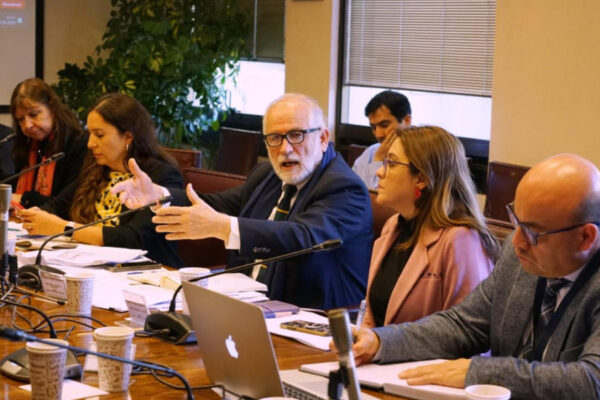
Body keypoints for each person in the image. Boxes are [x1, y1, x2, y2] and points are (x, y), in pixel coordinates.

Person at [351, 153, 600, 399]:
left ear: (586, 237)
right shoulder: (519, 256)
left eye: (533, 233)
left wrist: (479, 373)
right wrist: (381, 342)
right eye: (516, 222)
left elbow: (592, 381)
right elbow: (463, 325)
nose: (517, 242)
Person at [112, 93, 373, 309]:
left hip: (310, 318)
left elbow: (303, 237)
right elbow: (217, 205)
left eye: (296, 135)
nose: (285, 149)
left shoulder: (344, 188)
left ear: (323, 138)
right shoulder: (267, 175)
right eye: (275, 138)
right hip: (244, 306)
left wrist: (223, 227)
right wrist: (159, 194)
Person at [17, 93, 184, 268]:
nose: (90, 143)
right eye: (90, 134)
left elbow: (133, 239)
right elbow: (57, 205)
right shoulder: (96, 169)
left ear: (128, 137)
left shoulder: (162, 176)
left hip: (148, 274)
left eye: (99, 134)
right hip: (93, 267)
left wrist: (64, 228)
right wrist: (37, 215)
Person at [364, 126, 498, 327]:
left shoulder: (462, 239)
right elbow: (372, 316)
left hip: (422, 350)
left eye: (391, 163)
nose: (380, 171)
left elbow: (470, 330)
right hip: (379, 347)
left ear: (422, 178)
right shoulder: (393, 226)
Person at [10, 78, 88, 208]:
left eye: (34, 114)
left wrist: (24, 199)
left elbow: (69, 204)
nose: (27, 125)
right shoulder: (28, 144)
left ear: (52, 107)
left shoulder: (78, 143)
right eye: (21, 119)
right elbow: (14, 185)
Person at [352, 90, 411, 189]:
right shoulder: (370, 152)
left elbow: (381, 197)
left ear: (406, 121)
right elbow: (350, 191)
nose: (378, 134)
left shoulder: (418, 156)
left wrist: (379, 160)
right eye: (373, 127)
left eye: (384, 125)